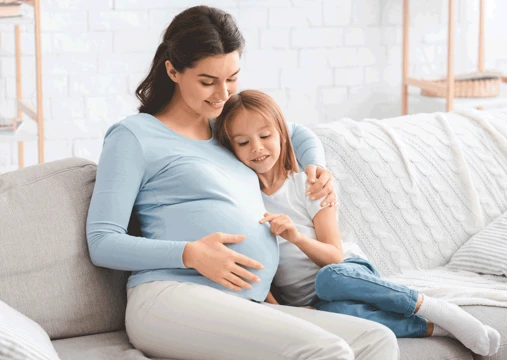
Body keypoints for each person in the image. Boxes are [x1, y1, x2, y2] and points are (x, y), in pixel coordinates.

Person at [86, 5, 399, 360]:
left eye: (232, 77)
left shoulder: (228, 128)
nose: (223, 94)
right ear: (173, 70)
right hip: (171, 294)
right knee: (326, 351)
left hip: (246, 303)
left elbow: (294, 132)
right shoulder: (134, 137)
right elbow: (102, 242)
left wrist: (316, 167)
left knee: (377, 340)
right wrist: (190, 254)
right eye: (208, 81)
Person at [215, 89, 502, 357]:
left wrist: (296, 237)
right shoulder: (246, 200)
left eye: (265, 136)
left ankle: (437, 309)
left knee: (329, 280)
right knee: (336, 313)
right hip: (313, 301)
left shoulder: (309, 185)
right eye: (243, 142)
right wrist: (286, 311)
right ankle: (434, 328)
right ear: (231, 148)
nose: (257, 148)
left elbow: (334, 256)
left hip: (347, 273)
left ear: (282, 134)